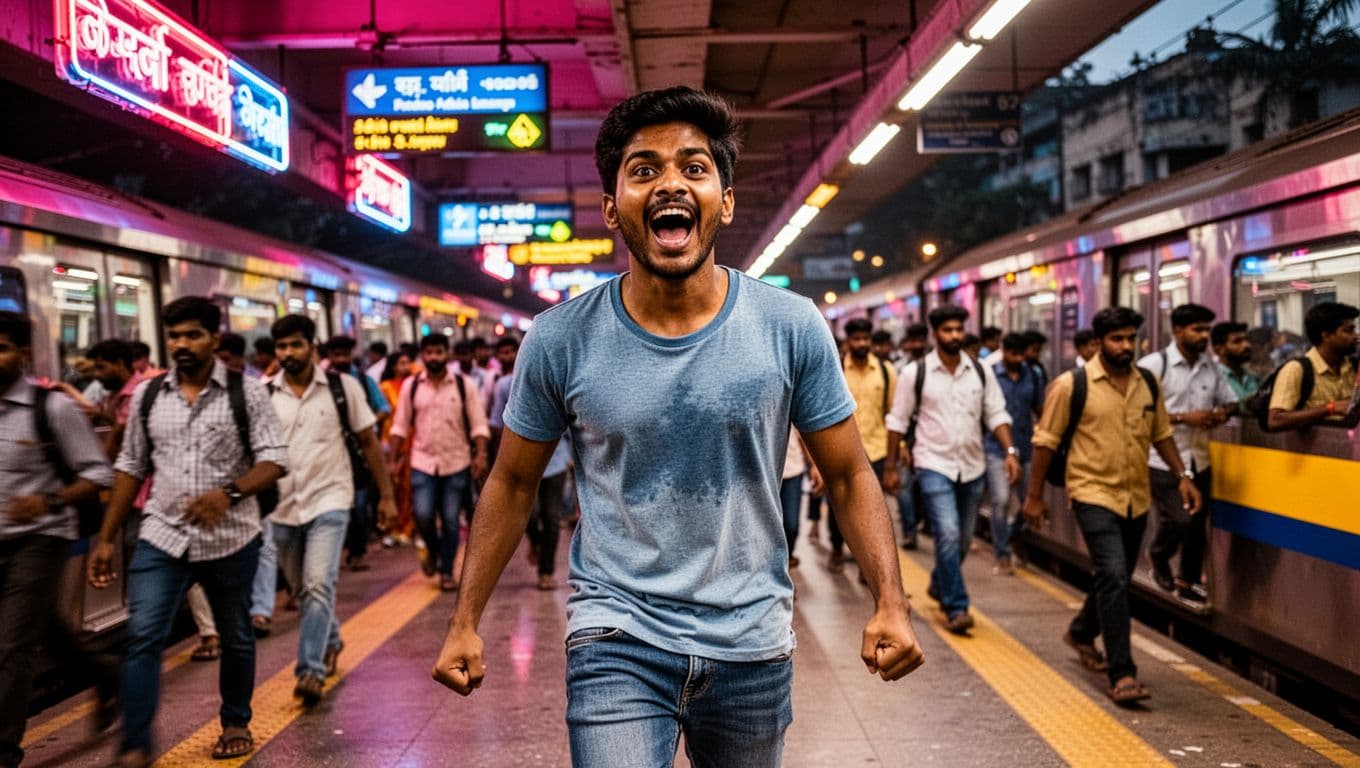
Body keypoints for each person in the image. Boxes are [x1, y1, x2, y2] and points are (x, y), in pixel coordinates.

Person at [431, 87, 923, 768]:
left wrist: (891, 602)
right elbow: (514, 482)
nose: (670, 183)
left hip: (751, 639)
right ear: (612, 208)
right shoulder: (559, 339)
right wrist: (463, 622)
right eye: (644, 170)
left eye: (694, 168)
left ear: (723, 200)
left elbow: (847, 471)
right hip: (616, 636)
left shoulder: (790, 327)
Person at [88, 297, 288, 766]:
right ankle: (136, 743)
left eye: (192, 335)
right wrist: (105, 538)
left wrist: (230, 494)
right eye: (174, 336)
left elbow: (275, 458)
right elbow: (131, 466)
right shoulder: (149, 396)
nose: (181, 344)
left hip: (231, 537)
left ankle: (235, 720)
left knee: (236, 635)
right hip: (163, 534)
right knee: (143, 636)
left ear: (214, 339)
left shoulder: (248, 392)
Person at [1024, 306, 1202, 706]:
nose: (1125, 347)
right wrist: (1034, 497)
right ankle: (1123, 673)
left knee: (1112, 575)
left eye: (1130, 339)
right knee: (1117, 574)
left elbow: (1162, 435)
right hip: (1092, 493)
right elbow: (1045, 442)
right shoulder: (1072, 385)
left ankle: (1082, 631)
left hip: (1134, 497)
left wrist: (1183, 477)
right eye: (1116, 339)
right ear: (1099, 341)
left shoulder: (1148, 384)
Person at [0, 312, 114, 768]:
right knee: (47, 631)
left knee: (10, 648)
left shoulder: (54, 408)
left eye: (3, 346)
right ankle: (110, 675)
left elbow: (98, 473)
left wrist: (48, 501)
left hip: (39, 539)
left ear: (24, 354)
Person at [267, 315, 396, 705]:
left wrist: (386, 497)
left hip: (331, 499)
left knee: (319, 583)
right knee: (302, 588)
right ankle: (332, 637)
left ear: (312, 346)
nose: (287, 354)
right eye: (281, 347)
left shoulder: (343, 387)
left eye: (295, 345)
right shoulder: (264, 395)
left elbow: (369, 443)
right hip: (283, 506)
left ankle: (310, 670)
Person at [884, 305, 1019, 634]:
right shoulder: (915, 374)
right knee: (947, 534)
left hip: (972, 467)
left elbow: (997, 413)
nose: (955, 336)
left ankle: (938, 582)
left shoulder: (980, 371)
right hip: (933, 463)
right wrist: (890, 465)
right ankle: (956, 606)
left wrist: (1010, 451)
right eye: (948, 330)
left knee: (961, 542)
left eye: (959, 330)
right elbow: (898, 421)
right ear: (935, 334)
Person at [1141, 304, 1237, 604]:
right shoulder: (1154, 366)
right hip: (1162, 458)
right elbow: (1138, 413)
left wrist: (1220, 414)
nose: (1204, 336)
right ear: (1178, 331)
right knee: (1179, 519)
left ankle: (1188, 581)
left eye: (1207, 330)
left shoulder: (1210, 367)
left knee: (1198, 524)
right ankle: (1158, 554)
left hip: (1200, 456)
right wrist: (1184, 418)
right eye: (1197, 330)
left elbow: (1231, 402)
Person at [389, 334, 491, 592]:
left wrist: (480, 455)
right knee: (422, 515)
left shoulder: (462, 385)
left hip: (456, 461)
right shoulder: (412, 387)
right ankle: (432, 553)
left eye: (438, 352)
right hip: (422, 462)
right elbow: (400, 426)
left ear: (447, 354)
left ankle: (446, 571)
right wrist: (393, 460)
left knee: (450, 519)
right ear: (422, 356)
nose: (434, 357)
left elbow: (478, 423)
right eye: (429, 353)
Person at [827, 318, 897, 575]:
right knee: (839, 502)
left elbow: (892, 412)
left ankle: (866, 564)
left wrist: (897, 453)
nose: (861, 344)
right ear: (848, 342)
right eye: (856, 339)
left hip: (876, 447)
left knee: (871, 507)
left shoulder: (886, 371)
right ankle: (836, 547)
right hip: (839, 448)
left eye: (865, 339)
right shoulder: (835, 368)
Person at [326, 335, 392, 572]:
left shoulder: (362, 381)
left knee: (360, 505)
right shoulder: (323, 382)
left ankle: (357, 552)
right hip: (332, 455)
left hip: (360, 454)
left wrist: (366, 425)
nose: (341, 359)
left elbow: (384, 407)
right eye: (336, 355)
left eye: (345, 354)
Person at [984, 333, 1045, 575]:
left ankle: (1011, 533)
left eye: (1022, 355)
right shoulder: (991, 375)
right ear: (1004, 351)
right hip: (995, 448)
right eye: (1013, 354)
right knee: (1000, 500)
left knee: (1029, 499)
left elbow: (1038, 407)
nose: (1018, 359)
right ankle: (1002, 552)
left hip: (1026, 446)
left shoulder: (1033, 375)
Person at [1266, 302, 1360, 431]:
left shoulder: (1353, 368)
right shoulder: (1297, 369)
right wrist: (1329, 408)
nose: (1356, 336)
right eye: (1348, 331)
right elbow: (1275, 420)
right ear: (1326, 335)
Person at [779, 427, 821, 569]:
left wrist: (813, 465)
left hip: (793, 471)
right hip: (764, 475)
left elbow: (803, 436)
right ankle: (778, 572)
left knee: (791, 525)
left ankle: (787, 559)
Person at [1212, 321, 1259, 402]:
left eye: (1247, 340)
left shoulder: (1253, 378)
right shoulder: (1213, 378)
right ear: (1219, 350)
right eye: (1237, 341)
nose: (1246, 345)